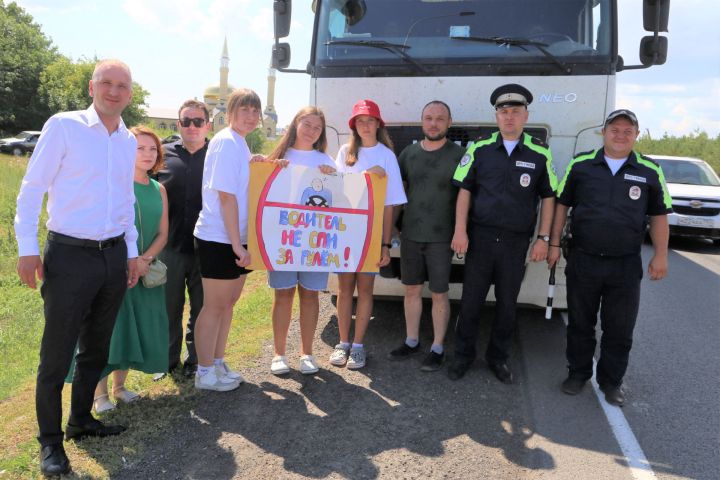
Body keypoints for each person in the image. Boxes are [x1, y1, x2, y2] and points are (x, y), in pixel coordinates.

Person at [14, 59, 138, 476]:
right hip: (68, 256)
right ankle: (50, 443)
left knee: (96, 348)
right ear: (92, 86)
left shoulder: (126, 139)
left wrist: (132, 253)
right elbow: (32, 190)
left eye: (122, 85)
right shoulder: (63, 126)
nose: (114, 91)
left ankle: (80, 420)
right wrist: (27, 248)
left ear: (130, 94)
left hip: (113, 255)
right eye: (107, 83)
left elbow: (126, 202)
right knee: (56, 354)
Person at [548, 109, 671, 407]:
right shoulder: (581, 165)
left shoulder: (649, 170)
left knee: (619, 327)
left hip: (625, 263)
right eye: (615, 129)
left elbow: (658, 216)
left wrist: (661, 256)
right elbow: (562, 206)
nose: (620, 135)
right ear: (603, 132)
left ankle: (611, 381)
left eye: (628, 130)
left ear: (636, 135)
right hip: (584, 258)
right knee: (580, 322)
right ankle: (577, 374)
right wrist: (552, 244)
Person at [448, 84, 557, 383]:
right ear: (496, 116)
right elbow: (464, 191)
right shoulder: (479, 148)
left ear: (526, 116)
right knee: (471, 301)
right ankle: (463, 356)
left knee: (508, 305)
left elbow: (549, 197)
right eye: (504, 112)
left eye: (515, 112)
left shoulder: (540, 153)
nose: (509, 117)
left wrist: (543, 238)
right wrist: (460, 230)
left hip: (515, 242)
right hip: (480, 238)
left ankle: (498, 358)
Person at [85, 126, 170, 413]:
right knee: (109, 330)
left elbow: (163, 233)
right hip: (114, 270)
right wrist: (127, 261)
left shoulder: (159, 189)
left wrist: (144, 260)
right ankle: (99, 396)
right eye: (139, 148)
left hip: (144, 271)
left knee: (134, 329)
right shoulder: (114, 184)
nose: (147, 154)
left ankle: (120, 388)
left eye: (152, 149)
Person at [192, 88, 261, 391]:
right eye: (244, 109)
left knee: (229, 304)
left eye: (255, 111)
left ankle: (218, 362)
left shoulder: (240, 144)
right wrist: (236, 243)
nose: (250, 116)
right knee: (214, 306)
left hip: (237, 237)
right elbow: (226, 197)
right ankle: (204, 370)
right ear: (230, 112)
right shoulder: (224, 142)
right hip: (219, 238)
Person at [388, 100, 464, 372]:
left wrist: (460, 230)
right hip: (411, 235)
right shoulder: (408, 154)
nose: (434, 123)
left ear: (449, 123)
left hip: (442, 237)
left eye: (440, 118)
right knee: (411, 289)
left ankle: (438, 347)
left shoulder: (459, 155)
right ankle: (411, 340)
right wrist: (393, 226)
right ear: (422, 122)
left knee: (440, 293)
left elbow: (467, 197)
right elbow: (397, 193)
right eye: (429, 118)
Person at [331, 99, 407, 370]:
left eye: (370, 120)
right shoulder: (344, 152)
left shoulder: (387, 155)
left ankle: (359, 346)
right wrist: (365, 175)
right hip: (344, 233)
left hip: (371, 236)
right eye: (359, 121)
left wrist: (385, 244)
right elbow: (337, 193)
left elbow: (390, 204)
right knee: (343, 289)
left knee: (365, 290)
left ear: (378, 124)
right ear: (354, 125)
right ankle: (342, 343)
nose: (365, 125)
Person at [263, 106, 337, 375]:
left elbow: (340, 200)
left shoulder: (325, 160)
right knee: (282, 294)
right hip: (284, 239)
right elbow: (261, 188)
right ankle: (279, 354)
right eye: (307, 124)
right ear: (295, 123)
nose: (312, 131)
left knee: (310, 295)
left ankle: (307, 353)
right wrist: (271, 168)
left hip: (315, 242)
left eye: (317, 127)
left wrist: (335, 178)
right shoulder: (279, 156)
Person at [156, 99, 212, 378]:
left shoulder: (217, 155)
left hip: (207, 247)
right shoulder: (161, 154)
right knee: (169, 308)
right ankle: (167, 362)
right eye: (186, 121)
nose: (192, 126)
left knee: (202, 309)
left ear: (207, 125)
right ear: (179, 125)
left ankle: (197, 361)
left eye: (198, 121)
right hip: (170, 246)